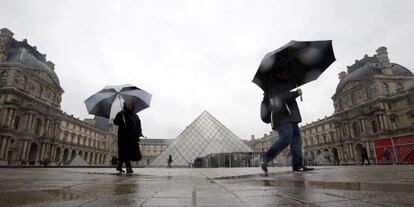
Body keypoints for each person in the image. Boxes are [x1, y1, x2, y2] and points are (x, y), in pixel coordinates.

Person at [260, 69, 314, 173]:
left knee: (297, 141)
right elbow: (279, 98)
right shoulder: (273, 85)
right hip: (281, 118)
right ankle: (265, 158)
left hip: (291, 117)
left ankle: (298, 166)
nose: (287, 74)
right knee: (286, 139)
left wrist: (294, 93)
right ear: (278, 73)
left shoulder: (285, 84)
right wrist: (295, 94)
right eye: (284, 72)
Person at [113, 100, 143, 173]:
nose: (129, 105)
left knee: (124, 152)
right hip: (123, 136)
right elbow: (115, 122)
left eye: (131, 104)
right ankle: (128, 168)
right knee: (126, 151)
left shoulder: (135, 116)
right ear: (124, 105)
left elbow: (138, 125)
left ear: (133, 105)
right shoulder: (121, 113)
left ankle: (119, 166)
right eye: (128, 104)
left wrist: (139, 133)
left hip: (133, 136)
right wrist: (120, 116)